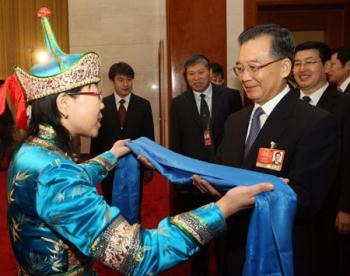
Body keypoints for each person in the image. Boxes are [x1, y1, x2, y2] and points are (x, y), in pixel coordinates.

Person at [6, 8, 274, 275]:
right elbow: (140, 254)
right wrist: (223, 207)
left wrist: (112, 154)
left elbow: (74, 175)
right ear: (64, 103)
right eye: (94, 93)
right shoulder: (54, 171)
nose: (102, 102)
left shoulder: (35, 150)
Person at [194, 24, 338, 276]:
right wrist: (206, 181)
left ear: (284, 67)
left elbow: (307, 202)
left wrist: (255, 195)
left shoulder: (315, 122)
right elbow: (221, 168)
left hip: (277, 254)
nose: (245, 76)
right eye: (240, 68)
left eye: (254, 67)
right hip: (232, 247)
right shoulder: (235, 120)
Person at [171, 54, 242, 275]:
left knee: (226, 230)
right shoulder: (178, 103)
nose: (196, 78)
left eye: (200, 72)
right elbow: (176, 141)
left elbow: (239, 136)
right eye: (191, 74)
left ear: (210, 72)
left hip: (224, 175)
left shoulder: (230, 97)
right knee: (199, 230)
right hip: (193, 178)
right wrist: (178, 177)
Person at [293, 41, 350, 276]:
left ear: (326, 66)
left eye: (310, 62)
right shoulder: (287, 105)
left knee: (326, 263)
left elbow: (348, 158)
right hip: (294, 205)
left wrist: (346, 207)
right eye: (297, 63)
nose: (302, 69)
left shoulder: (344, 104)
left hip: (330, 206)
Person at [90, 62, 154, 204]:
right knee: (109, 202)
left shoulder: (143, 105)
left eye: (129, 80)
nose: (125, 84)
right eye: (121, 80)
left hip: (134, 164)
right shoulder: (102, 105)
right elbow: (96, 138)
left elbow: (148, 137)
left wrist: (148, 167)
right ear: (112, 81)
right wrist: (95, 163)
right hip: (109, 163)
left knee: (133, 202)